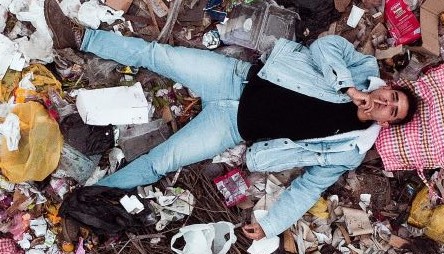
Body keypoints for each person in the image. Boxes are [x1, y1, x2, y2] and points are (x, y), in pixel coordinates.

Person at [45, 0, 417, 241]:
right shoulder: (364, 70)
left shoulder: (349, 148)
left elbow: (307, 188)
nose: (386, 102)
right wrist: (348, 86)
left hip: (232, 126)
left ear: (386, 123)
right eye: (392, 96)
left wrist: (272, 225)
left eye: (392, 110)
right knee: (159, 55)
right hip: (236, 77)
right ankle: (81, 36)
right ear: (389, 88)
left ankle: (89, 201)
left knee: (161, 161)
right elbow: (324, 46)